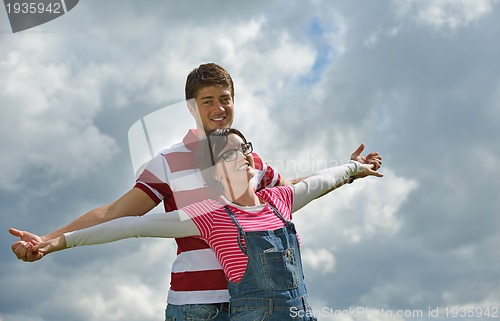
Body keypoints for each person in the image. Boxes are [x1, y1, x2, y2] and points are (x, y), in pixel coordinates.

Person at [10, 63, 382, 321]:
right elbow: (117, 216)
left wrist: (349, 170)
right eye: (208, 101)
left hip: (262, 303)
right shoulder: (168, 161)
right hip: (197, 305)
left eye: (225, 98)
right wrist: (50, 240)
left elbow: (294, 192)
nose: (219, 108)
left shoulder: (249, 159)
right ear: (192, 106)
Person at [33, 128, 383, 321]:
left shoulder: (281, 200)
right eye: (231, 153)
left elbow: (323, 180)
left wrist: (354, 168)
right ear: (214, 173)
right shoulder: (209, 217)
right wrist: (58, 242)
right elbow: (128, 225)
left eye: (244, 147)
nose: (244, 155)